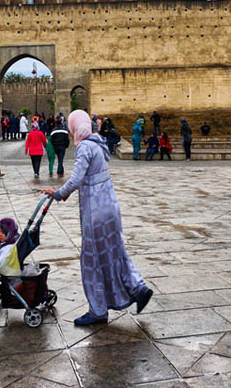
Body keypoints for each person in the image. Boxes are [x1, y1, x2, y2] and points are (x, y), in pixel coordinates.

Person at [41, 110, 152, 325]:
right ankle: (138, 288)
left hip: (96, 212)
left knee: (92, 260)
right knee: (116, 251)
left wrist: (57, 194)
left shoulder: (84, 147)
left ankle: (98, 310)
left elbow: (75, 179)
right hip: (110, 207)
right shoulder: (99, 145)